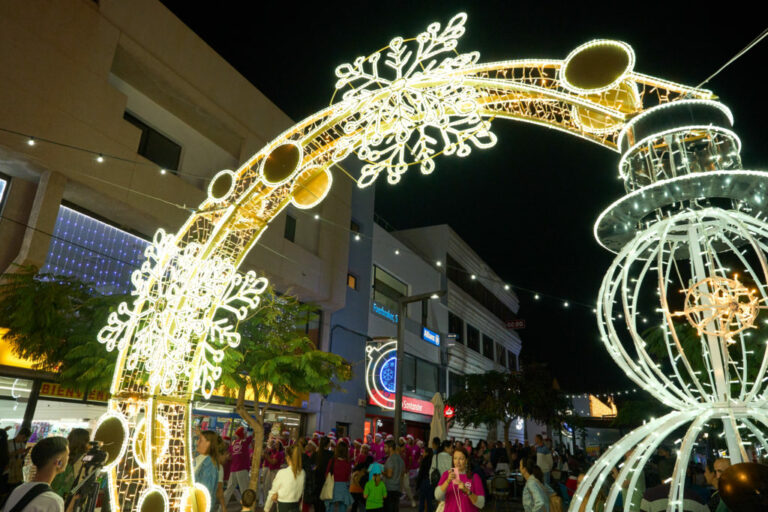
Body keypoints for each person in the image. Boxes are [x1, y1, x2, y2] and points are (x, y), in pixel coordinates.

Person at [1, 436, 68, 512]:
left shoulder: (17, 489)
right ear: (58, 462)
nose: (68, 458)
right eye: (67, 455)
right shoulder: (53, 501)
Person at [434, 447, 485, 512]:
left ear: (466, 460)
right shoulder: (447, 474)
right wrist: (447, 481)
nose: (457, 462)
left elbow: (481, 504)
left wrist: (467, 491)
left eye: (461, 458)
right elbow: (437, 496)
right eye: (455, 458)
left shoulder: (474, 477)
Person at [264, 444, 305, 512]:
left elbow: (272, 492)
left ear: (287, 457)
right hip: (296, 506)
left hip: (283, 506)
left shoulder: (282, 472)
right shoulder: (302, 472)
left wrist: (266, 509)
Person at [50, 429, 89, 499]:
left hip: (53, 491)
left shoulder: (61, 453)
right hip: (70, 495)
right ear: (85, 442)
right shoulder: (85, 457)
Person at [195, 431, 225, 512]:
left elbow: (204, 493)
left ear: (208, 444)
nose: (197, 442)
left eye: (200, 440)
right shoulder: (201, 459)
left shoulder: (209, 464)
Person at [225, 427, 253, 506]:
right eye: (245, 433)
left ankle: (221, 508)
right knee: (245, 490)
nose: (246, 434)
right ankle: (246, 508)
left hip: (233, 470)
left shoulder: (233, 443)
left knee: (229, 490)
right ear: (243, 434)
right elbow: (254, 435)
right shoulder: (245, 441)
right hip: (242, 469)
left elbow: (229, 456)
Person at [325, 442, 353, 512]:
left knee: (330, 505)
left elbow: (327, 474)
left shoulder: (332, 461)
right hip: (343, 486)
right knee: (343, 506)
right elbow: (348, 477)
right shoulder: (347, 463)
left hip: (333, 485)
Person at [4, 428, 31, 494]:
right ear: (19, 435)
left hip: (17, 472)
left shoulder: (23, 445)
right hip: (7, 471)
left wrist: (26, 453)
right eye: (23, 437)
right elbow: (4, 457)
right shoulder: (8, 443)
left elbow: (21, 459)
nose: (24, 440)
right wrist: (16, 452)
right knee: (6, 491)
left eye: (25, 438)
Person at [381, 441, 403, 512]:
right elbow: (402, 473)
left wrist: (382, 472)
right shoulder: (400, 459)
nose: (384, 449)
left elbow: (389, 475)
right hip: (397, 488)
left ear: (390, 448)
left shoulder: (390, 459)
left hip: (389, 489)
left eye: (385, 447)